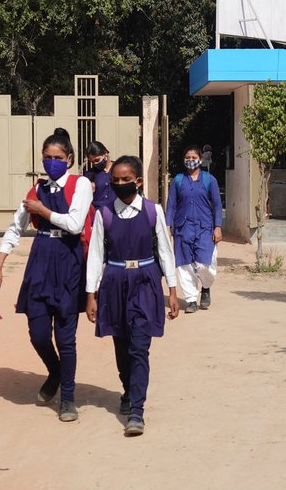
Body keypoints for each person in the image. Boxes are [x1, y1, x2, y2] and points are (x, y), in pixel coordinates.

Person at [0, 128, 93, 422]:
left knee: (66, 337)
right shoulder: (36, 190)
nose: (52, 162)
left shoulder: (80, 184)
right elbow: (15, 226)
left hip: (69, 260)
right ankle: (55, 371)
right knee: (37, 333)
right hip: (41, 259)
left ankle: (68, 398)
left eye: (57, 158)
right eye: (47, 158)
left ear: (70, 159)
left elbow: (75, 224)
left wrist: (43, 211)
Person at [85, 155, 180, 436]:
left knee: (139, 347)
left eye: (126, 179)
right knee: (121, 345)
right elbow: (95, 256)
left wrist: (172, 291)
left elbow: (164, 250)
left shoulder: (153, 212)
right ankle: (127, 389)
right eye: (115, 180)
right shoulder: (104, 214)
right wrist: (91, 294)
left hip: (145, 282)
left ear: (138, 181)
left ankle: (137, 410)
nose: (120, 184)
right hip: (114, 283)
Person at [166, 145, 223, 313]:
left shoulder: (209, 180)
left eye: (193, 157)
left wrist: (217, 227)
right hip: (183, 228)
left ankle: (205, 287)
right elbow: (171, 206)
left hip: (205, 227)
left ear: (200, 159)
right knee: (184, 265)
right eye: (187, 158)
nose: (190, 160)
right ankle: (191, 299)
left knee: (205, 263)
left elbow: (218, 205)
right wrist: (168, 226)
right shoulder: (177, 180)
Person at [84, 141, 115, 210]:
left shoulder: (118, 168)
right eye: (92, 162)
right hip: (98, 213)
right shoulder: (90, 174)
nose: (95, 164)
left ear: (104, 153)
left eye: (97, 160)